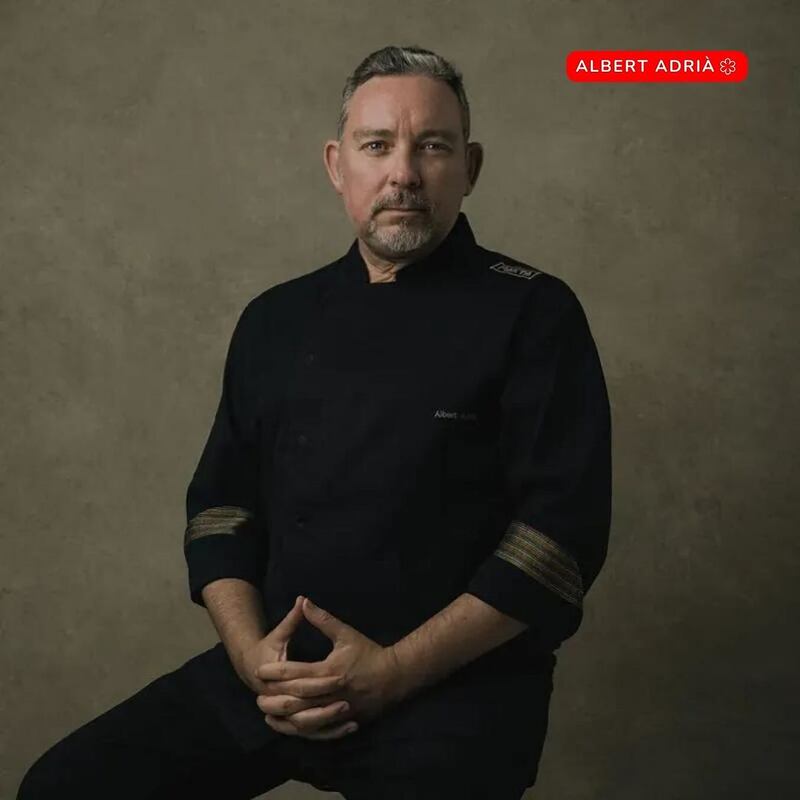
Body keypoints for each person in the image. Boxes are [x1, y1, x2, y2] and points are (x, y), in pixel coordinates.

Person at [17, 44, 612, 799]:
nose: (403, 173)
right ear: (338, 165)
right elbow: (220, 510)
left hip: (455, 693)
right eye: (377, 145)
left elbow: (559, 538)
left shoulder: (533, 311)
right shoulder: (275, 319)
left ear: (471, 167)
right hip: (275, 674)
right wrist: (251, 659)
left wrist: (392, 673)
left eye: (433, 146)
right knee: (63, 788)